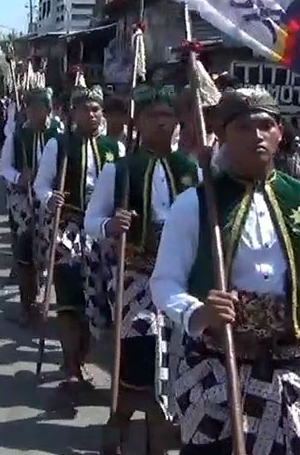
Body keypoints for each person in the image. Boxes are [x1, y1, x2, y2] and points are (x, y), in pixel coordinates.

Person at [152, 88, 300, 455]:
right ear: (222, 134)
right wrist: (200, 312)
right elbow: (165, 281)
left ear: (280, 132)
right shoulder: (196, 204)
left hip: (290, 365)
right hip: (218, 364)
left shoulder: (296, 197)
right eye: (243, 127)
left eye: (266, 126)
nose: (257, 136)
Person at [85, 84, 197, 454]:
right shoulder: (119, 170)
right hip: (135, 277)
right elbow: (91, 221)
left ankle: (155, 434)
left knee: (174, 359)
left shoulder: (192, 170)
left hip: (181, 281)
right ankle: (123, 419)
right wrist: (110, 225)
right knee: (140, 352)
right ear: (139, 123)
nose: (162, 123)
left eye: (168, 116)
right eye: (153, 116)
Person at [34, 85, 124, 387]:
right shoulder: (59, 145)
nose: (92, 115)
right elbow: (40, 185)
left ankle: (81, 357)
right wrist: (51, 198)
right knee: (70, 298)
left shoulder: (115, 148)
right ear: (73, 113)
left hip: (101, 235)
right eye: (85, 109)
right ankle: (71, 362)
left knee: (95, 302)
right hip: (68, 230)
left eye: (96, 109)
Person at [0, 86, 57, 325]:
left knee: (54, 254)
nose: (35, 112)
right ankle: (27, 304)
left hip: (52, 204)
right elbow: (5, 167)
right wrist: (19, 178)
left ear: (49, 109)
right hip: (24, 203)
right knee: (25, 254)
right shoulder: (17, 136)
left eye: (40, 107)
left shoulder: (59, 136)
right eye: (31, 107)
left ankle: (49, 300)